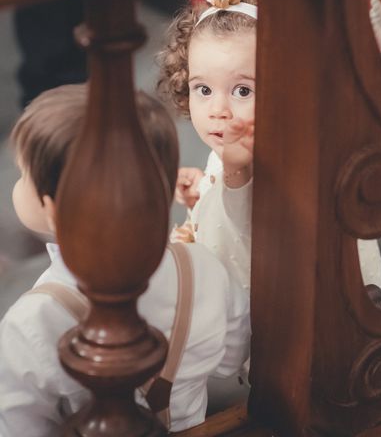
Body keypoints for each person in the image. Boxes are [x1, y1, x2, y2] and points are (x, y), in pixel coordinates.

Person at [0, 84, 251, 434]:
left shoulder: (32, 322)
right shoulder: (203, 269)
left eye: (24, 175)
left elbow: (21, 428)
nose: (16, 184)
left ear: (55, 211)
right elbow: (230, 360)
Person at [157, 0, 381, 306]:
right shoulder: (235, 149)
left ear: (286, 87)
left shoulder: (287, 163)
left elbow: (257, 237)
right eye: (203, 89)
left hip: (274, 319)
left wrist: (235, 173)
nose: (218, 110)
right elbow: (227, 227)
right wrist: (204, 191)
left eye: (242, 91)